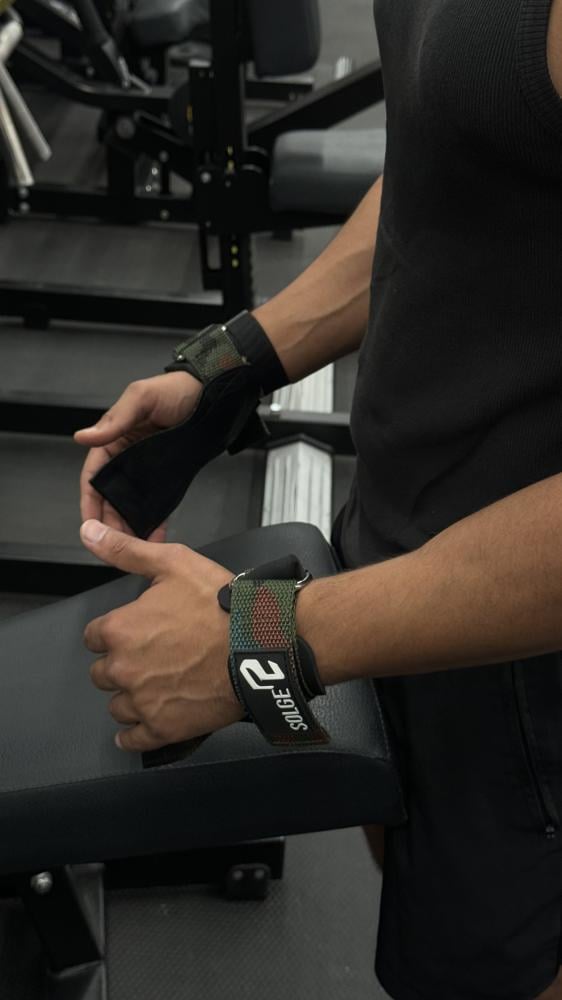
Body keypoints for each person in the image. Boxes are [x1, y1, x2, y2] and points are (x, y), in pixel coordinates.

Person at [75, 1, 562, 997]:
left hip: (526, 646)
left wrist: (257, 640)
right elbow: (444, 166)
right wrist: (229, 367)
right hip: (402, 556)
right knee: (427, 922)